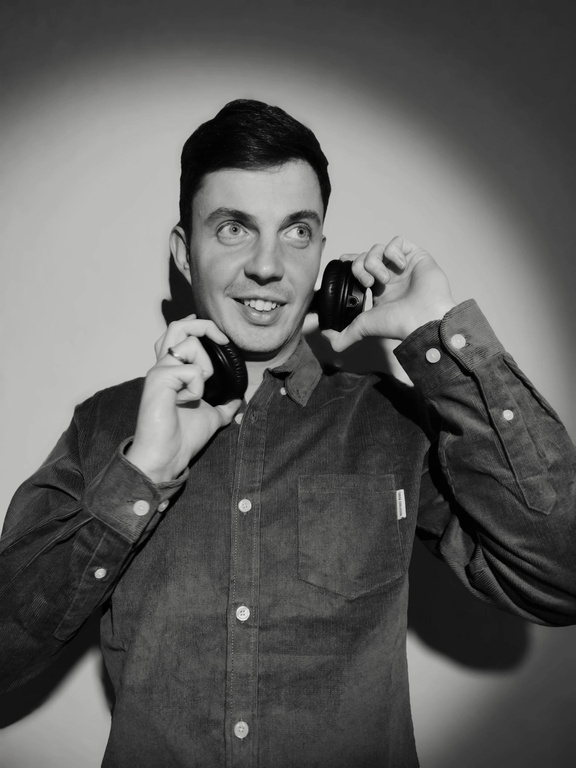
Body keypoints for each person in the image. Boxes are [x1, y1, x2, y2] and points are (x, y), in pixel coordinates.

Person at [1, 99, 575, 768]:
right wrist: (143, 475)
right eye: (234, 228)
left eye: (297, 231)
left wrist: (440, 338)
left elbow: (561, 578)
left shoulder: (393, 422)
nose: (268, 266)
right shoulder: (106, 425)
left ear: (323, 254)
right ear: (185, 254)